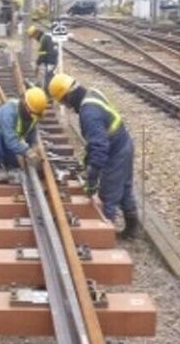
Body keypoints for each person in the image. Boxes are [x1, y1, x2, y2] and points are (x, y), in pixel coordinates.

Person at [48, 73, 139, 238]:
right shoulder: (91, 94)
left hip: (116, 151)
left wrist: (92, 179)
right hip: (123, 143)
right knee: (124, 187)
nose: (66, 106)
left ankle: (105, 235)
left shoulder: (88, 113)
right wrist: (87, 161)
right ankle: (132, 229)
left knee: (108, 194)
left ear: (68, 96)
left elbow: (99, 147)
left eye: (63, 102)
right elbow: (96, 142)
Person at [0, 87, 48, 182]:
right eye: (32, 113)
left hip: (7, 141)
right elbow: (10, 139)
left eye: (35, 114)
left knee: (14, 163)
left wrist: (34, 150)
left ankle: (9, 165)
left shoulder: (33, 116)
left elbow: (30, 136)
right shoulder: (9, 111)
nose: (33, 116)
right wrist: (27, 152)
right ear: (25, 105)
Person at [27, 25, 58, 93]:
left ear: (36, 33)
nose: (33, 38)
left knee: (48, 79)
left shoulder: (43, 39)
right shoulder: (45, 37)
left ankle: (48, 95)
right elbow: (43, 54)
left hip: (51, 61)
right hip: (51, 60)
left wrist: (37, 64)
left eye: (33, 36)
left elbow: (42, 55)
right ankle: (48, 92)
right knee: (49, 77)